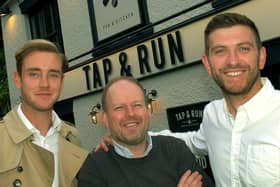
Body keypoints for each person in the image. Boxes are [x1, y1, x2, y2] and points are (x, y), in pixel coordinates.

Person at [96, 12, 280, 186]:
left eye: (244, 48)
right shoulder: (213, 114)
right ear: (207, 64)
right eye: (220, 51)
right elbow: (190, 141)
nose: (232, 61)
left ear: (262, 57)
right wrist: (131, 134)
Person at [77, 76, 214, 187]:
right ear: (105, 119)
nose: (130, 114)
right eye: (119, 108)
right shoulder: (94, 169)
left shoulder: (175, 150)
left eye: (137, 105)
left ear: (148, 112)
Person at [0, 39, 88, 187]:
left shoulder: (72, 137)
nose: (45, 84)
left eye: (53, 75)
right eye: (34, 74)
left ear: (61, 80)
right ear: (18, 79)